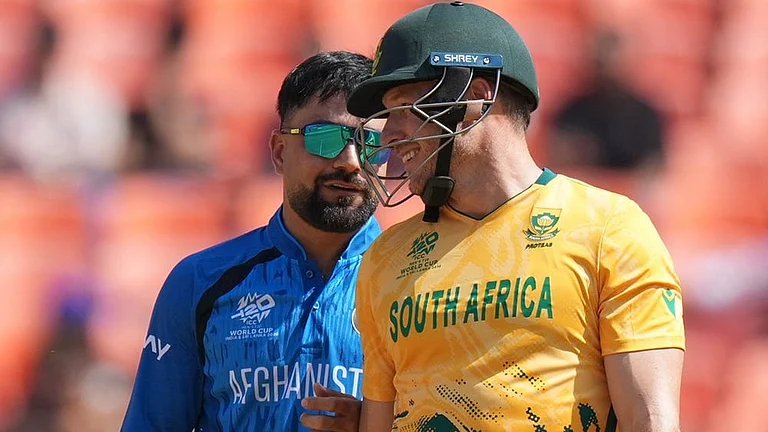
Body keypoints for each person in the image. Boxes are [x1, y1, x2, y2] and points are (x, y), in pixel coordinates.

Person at [347, 2, 685, 431]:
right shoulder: (384, 258)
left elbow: (649, 419)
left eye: (404, 107)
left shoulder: (609, 228)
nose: (389, 134)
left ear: (476, 95)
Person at [121, 50, 388, 432]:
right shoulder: (201, 282)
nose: (350, 160)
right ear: (280, 152)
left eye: (371, 142)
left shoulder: (416, 281)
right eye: (324, 138)